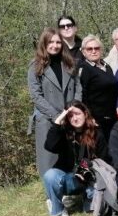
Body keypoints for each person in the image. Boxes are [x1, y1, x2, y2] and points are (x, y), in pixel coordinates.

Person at [28, 27, 81, 178]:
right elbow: (36, 96)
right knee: (48, 159)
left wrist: (75, 108)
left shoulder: (70, 63)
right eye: (51, 42)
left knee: (71, 155)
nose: (55, 45)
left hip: (70, 115)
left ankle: (72, 191)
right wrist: (56, 115)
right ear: (44, 44)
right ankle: (50, 195)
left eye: (58, 42)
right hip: (47, 118)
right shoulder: (35, 66)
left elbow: (78, 87)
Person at [43, 103, 108, 216]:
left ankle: (87, 197)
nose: (75, 118)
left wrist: (87, 170)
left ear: (85, 114)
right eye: (70, 116)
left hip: (89, 177)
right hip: (68, 176)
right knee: (49, 176)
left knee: (92, 208)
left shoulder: (96, 132)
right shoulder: (64, 132)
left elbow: (104, 158)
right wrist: (58, 121)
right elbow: (50, 146)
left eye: (78, 114)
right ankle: (59, 211)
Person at [76, 35, 118, 141]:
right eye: (89, 49)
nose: (93, 51)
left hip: (111, 117)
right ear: (83, 52)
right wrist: (89, 117)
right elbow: (82, 94)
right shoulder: (84, 68)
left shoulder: (106, 66)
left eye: (97, 48)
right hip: (96, 119)